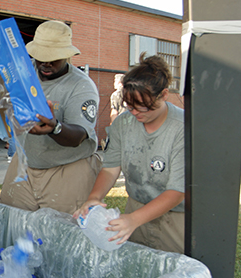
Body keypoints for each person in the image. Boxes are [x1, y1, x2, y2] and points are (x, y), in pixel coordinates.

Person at [73, 53, 185, 253]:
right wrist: (94, 197)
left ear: (164, 95)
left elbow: (176, 192)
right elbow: (110, 168)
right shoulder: (123, 123)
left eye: (144, 106)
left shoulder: (182, 128)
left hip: (175, 217)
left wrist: (134, 220)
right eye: (130, 106)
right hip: (136, 206)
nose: (136, 113)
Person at [0, 20, 101, 214]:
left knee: (62, 232)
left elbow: (79, 136)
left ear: (67, 55)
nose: (46, 62)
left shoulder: (81, 86)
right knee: (11, 224)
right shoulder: (22, 72)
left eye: (53, 57)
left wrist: (55, 128)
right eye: (40, 56)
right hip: (25, 164)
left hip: (67, 168)